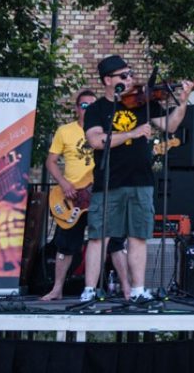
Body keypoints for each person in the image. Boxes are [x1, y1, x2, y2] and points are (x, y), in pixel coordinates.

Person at [82, 55, 194, 302]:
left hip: (141, 180)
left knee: (138, 236)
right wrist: (132, 133)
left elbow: (170, 125)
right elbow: (96, 140)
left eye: (130, 74)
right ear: (108, 81)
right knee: (99, 236)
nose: (130, 79)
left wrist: (183, 100)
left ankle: (138, 290)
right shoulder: (97, 109)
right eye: (124, 76)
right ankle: (89, 291)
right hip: (109, 181)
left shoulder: (144, 103)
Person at [40, 88, 130, 301]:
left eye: (92, 105)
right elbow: (51, 161)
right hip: (72, 198)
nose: (87, 109)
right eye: (83, 105)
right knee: (65, 245)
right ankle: (57, 289)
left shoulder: (107, 132)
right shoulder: (65, 131)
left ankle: (127, 289)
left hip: (102, 195)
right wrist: (63, 183)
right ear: (76, 108)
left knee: (115, 242)